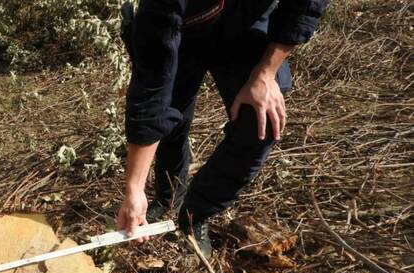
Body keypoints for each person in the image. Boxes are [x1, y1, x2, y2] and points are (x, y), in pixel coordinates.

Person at [116, 0, 328, 257]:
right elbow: (153, 88)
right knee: (171, 117)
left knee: (261, 119)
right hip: (184, 27)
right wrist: (134, 189)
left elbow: (305, 7)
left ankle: (195, 213)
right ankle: (168, 196)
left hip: (246, 22)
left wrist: (265, 73)